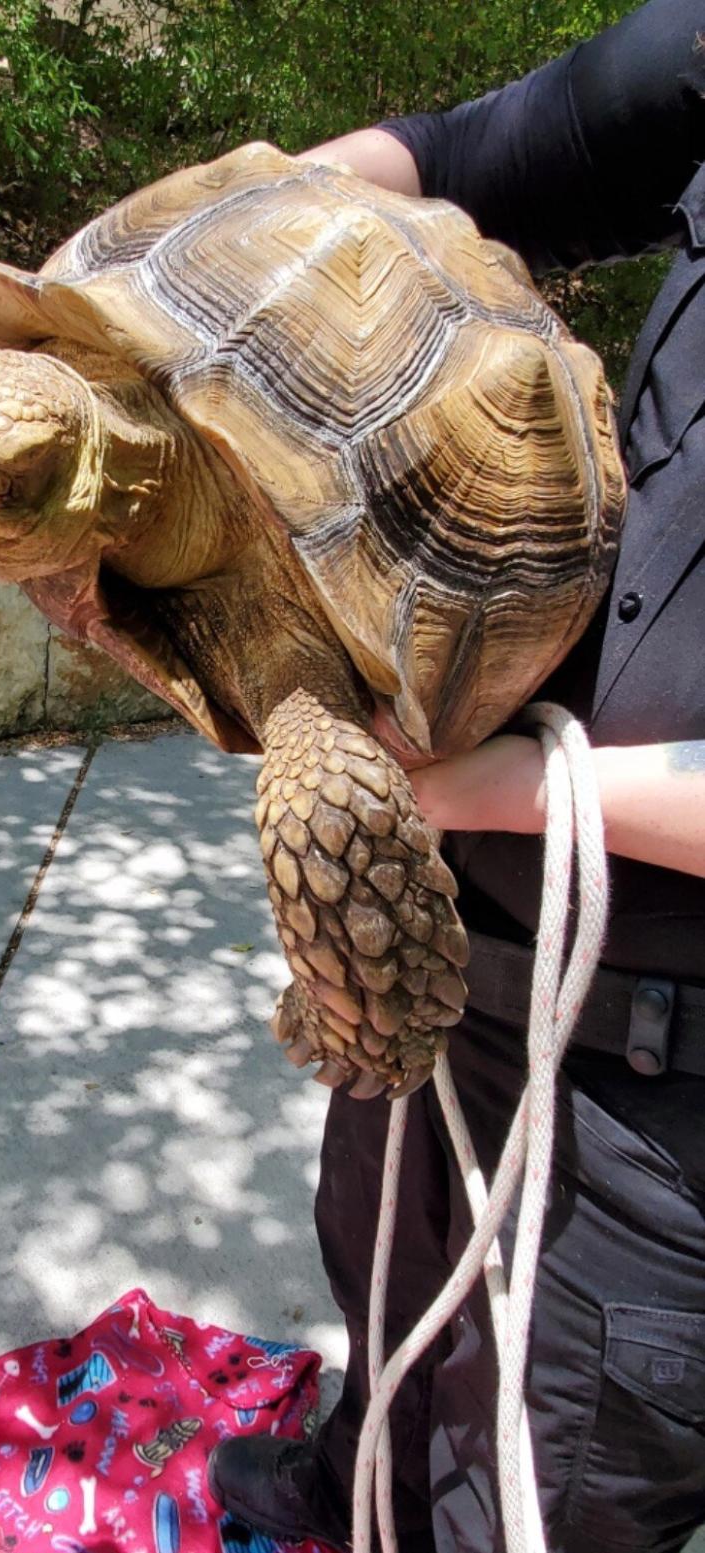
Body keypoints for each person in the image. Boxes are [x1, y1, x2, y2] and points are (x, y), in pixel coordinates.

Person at [206, 3, 705, 1550]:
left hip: (659, 1082)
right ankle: (360, 1468)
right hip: (465, 959)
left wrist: (481, 789)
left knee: (541, 1471)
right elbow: (450, 157)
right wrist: (189, 265)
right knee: (382, 1270)